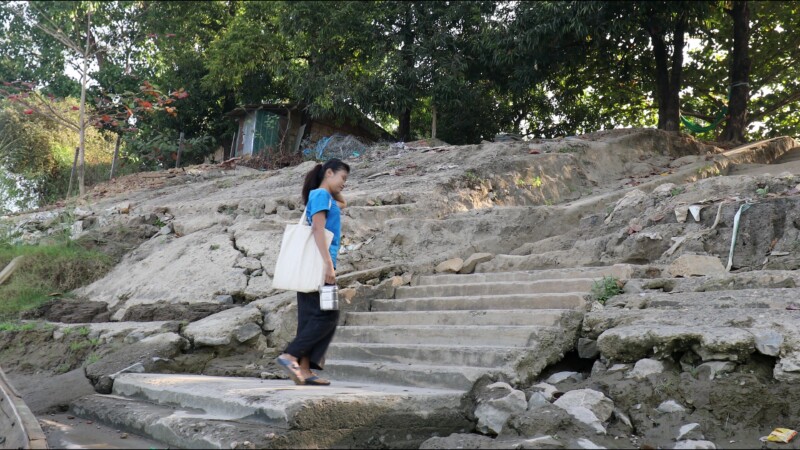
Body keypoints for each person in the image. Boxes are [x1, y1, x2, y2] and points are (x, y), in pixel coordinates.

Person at [276, 158, 349, 386]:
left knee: (309, 317)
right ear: (329, 172)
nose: (344, 183)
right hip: (319, 265)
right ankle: (290, 355)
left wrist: (332, 187)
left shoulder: (323, 196)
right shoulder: (320, 196)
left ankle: (305, 370)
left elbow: (343, 203)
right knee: (330, 314)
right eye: (342, 177)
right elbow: (318, 230)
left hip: (317, 264)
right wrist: (328, 264)